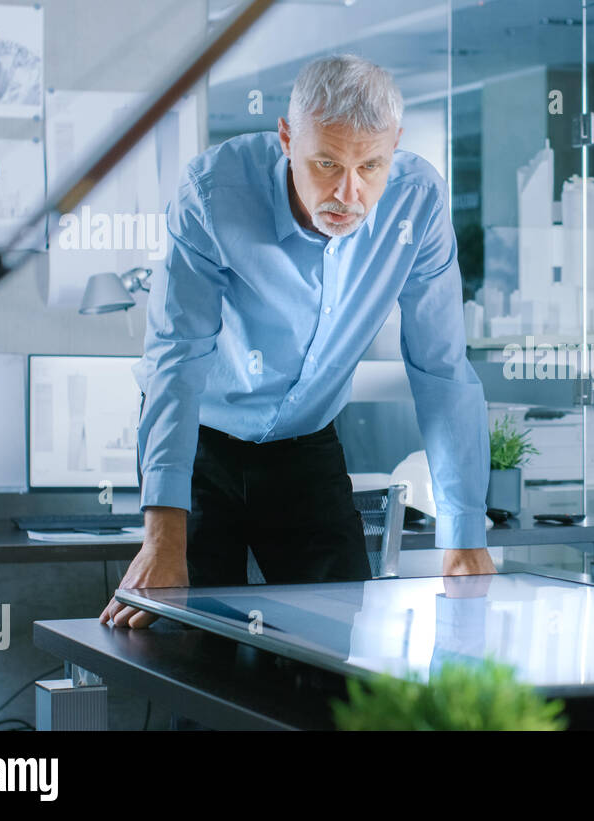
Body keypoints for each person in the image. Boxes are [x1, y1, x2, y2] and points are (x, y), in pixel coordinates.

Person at [100, 54, 494, 630]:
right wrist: (163, 537)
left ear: (396, 145)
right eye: (326, 163)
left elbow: (441, 370)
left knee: (337, 653)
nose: (349, 193)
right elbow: (176, 360)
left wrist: (463, 535)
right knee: (190, 650)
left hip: (305, 447)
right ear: (287, 138)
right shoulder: (212, 192)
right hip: (202, 445)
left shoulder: (420, 203)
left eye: (372, 166)